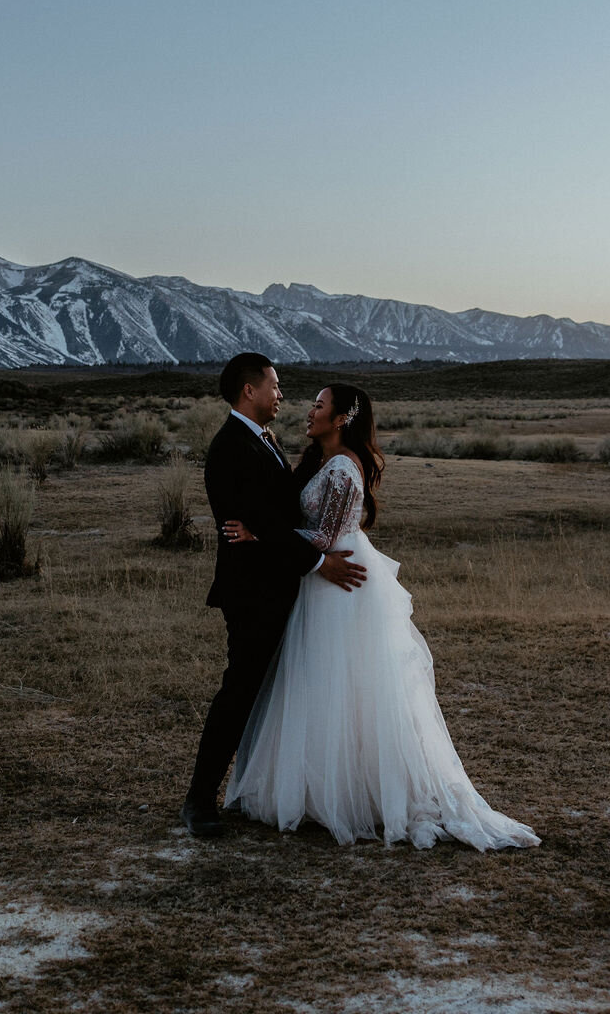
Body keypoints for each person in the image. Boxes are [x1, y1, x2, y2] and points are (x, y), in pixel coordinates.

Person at [223, 383, 541, 850]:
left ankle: (354, 791)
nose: (309, 411)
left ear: (341, 420)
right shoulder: (321, 463)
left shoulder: (343, 468)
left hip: (339, 578)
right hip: (324, 578)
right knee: (324, 683)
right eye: (312, 403)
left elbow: (323, 538)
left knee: (343, 682)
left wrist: (259, 536)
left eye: (319, 405)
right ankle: (324, 786)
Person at [180, 354, 368, 839]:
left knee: (269, 692)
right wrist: (319, 562)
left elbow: (274, 520)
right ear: (250, 391)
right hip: (252, 592)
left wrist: (269, 534)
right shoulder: (231, 447)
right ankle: (199, 800)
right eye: (276, 385)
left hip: (278, 587)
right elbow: (260, 518)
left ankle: (278, 787)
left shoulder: (262, 440)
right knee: (240, 690)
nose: (282, 395)